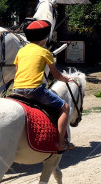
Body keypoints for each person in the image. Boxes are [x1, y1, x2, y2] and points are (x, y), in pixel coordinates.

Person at [12, 19, 74, 151]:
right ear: (44, 39)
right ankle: (61, 142)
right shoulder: (45, 52)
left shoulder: (21, 51)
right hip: (34, 90)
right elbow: (56, 75)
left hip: (16, 89)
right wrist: (65, 80)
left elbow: (17, 73)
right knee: (65, 107)